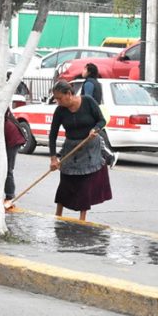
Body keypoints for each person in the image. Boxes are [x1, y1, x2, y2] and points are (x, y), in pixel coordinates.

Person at [48, 80, 112, 221]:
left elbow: (101, 121)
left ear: (69, 94)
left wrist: (95, 129)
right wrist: (53, 158)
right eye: (56, 99)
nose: (58, 102)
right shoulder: (60, 111)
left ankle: (82, 219)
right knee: (65, 182)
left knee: (84, 184)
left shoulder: (88, 102)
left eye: (59, 98)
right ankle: (58, 215)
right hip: (70, 148)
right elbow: (52, 134)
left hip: (89, 147)